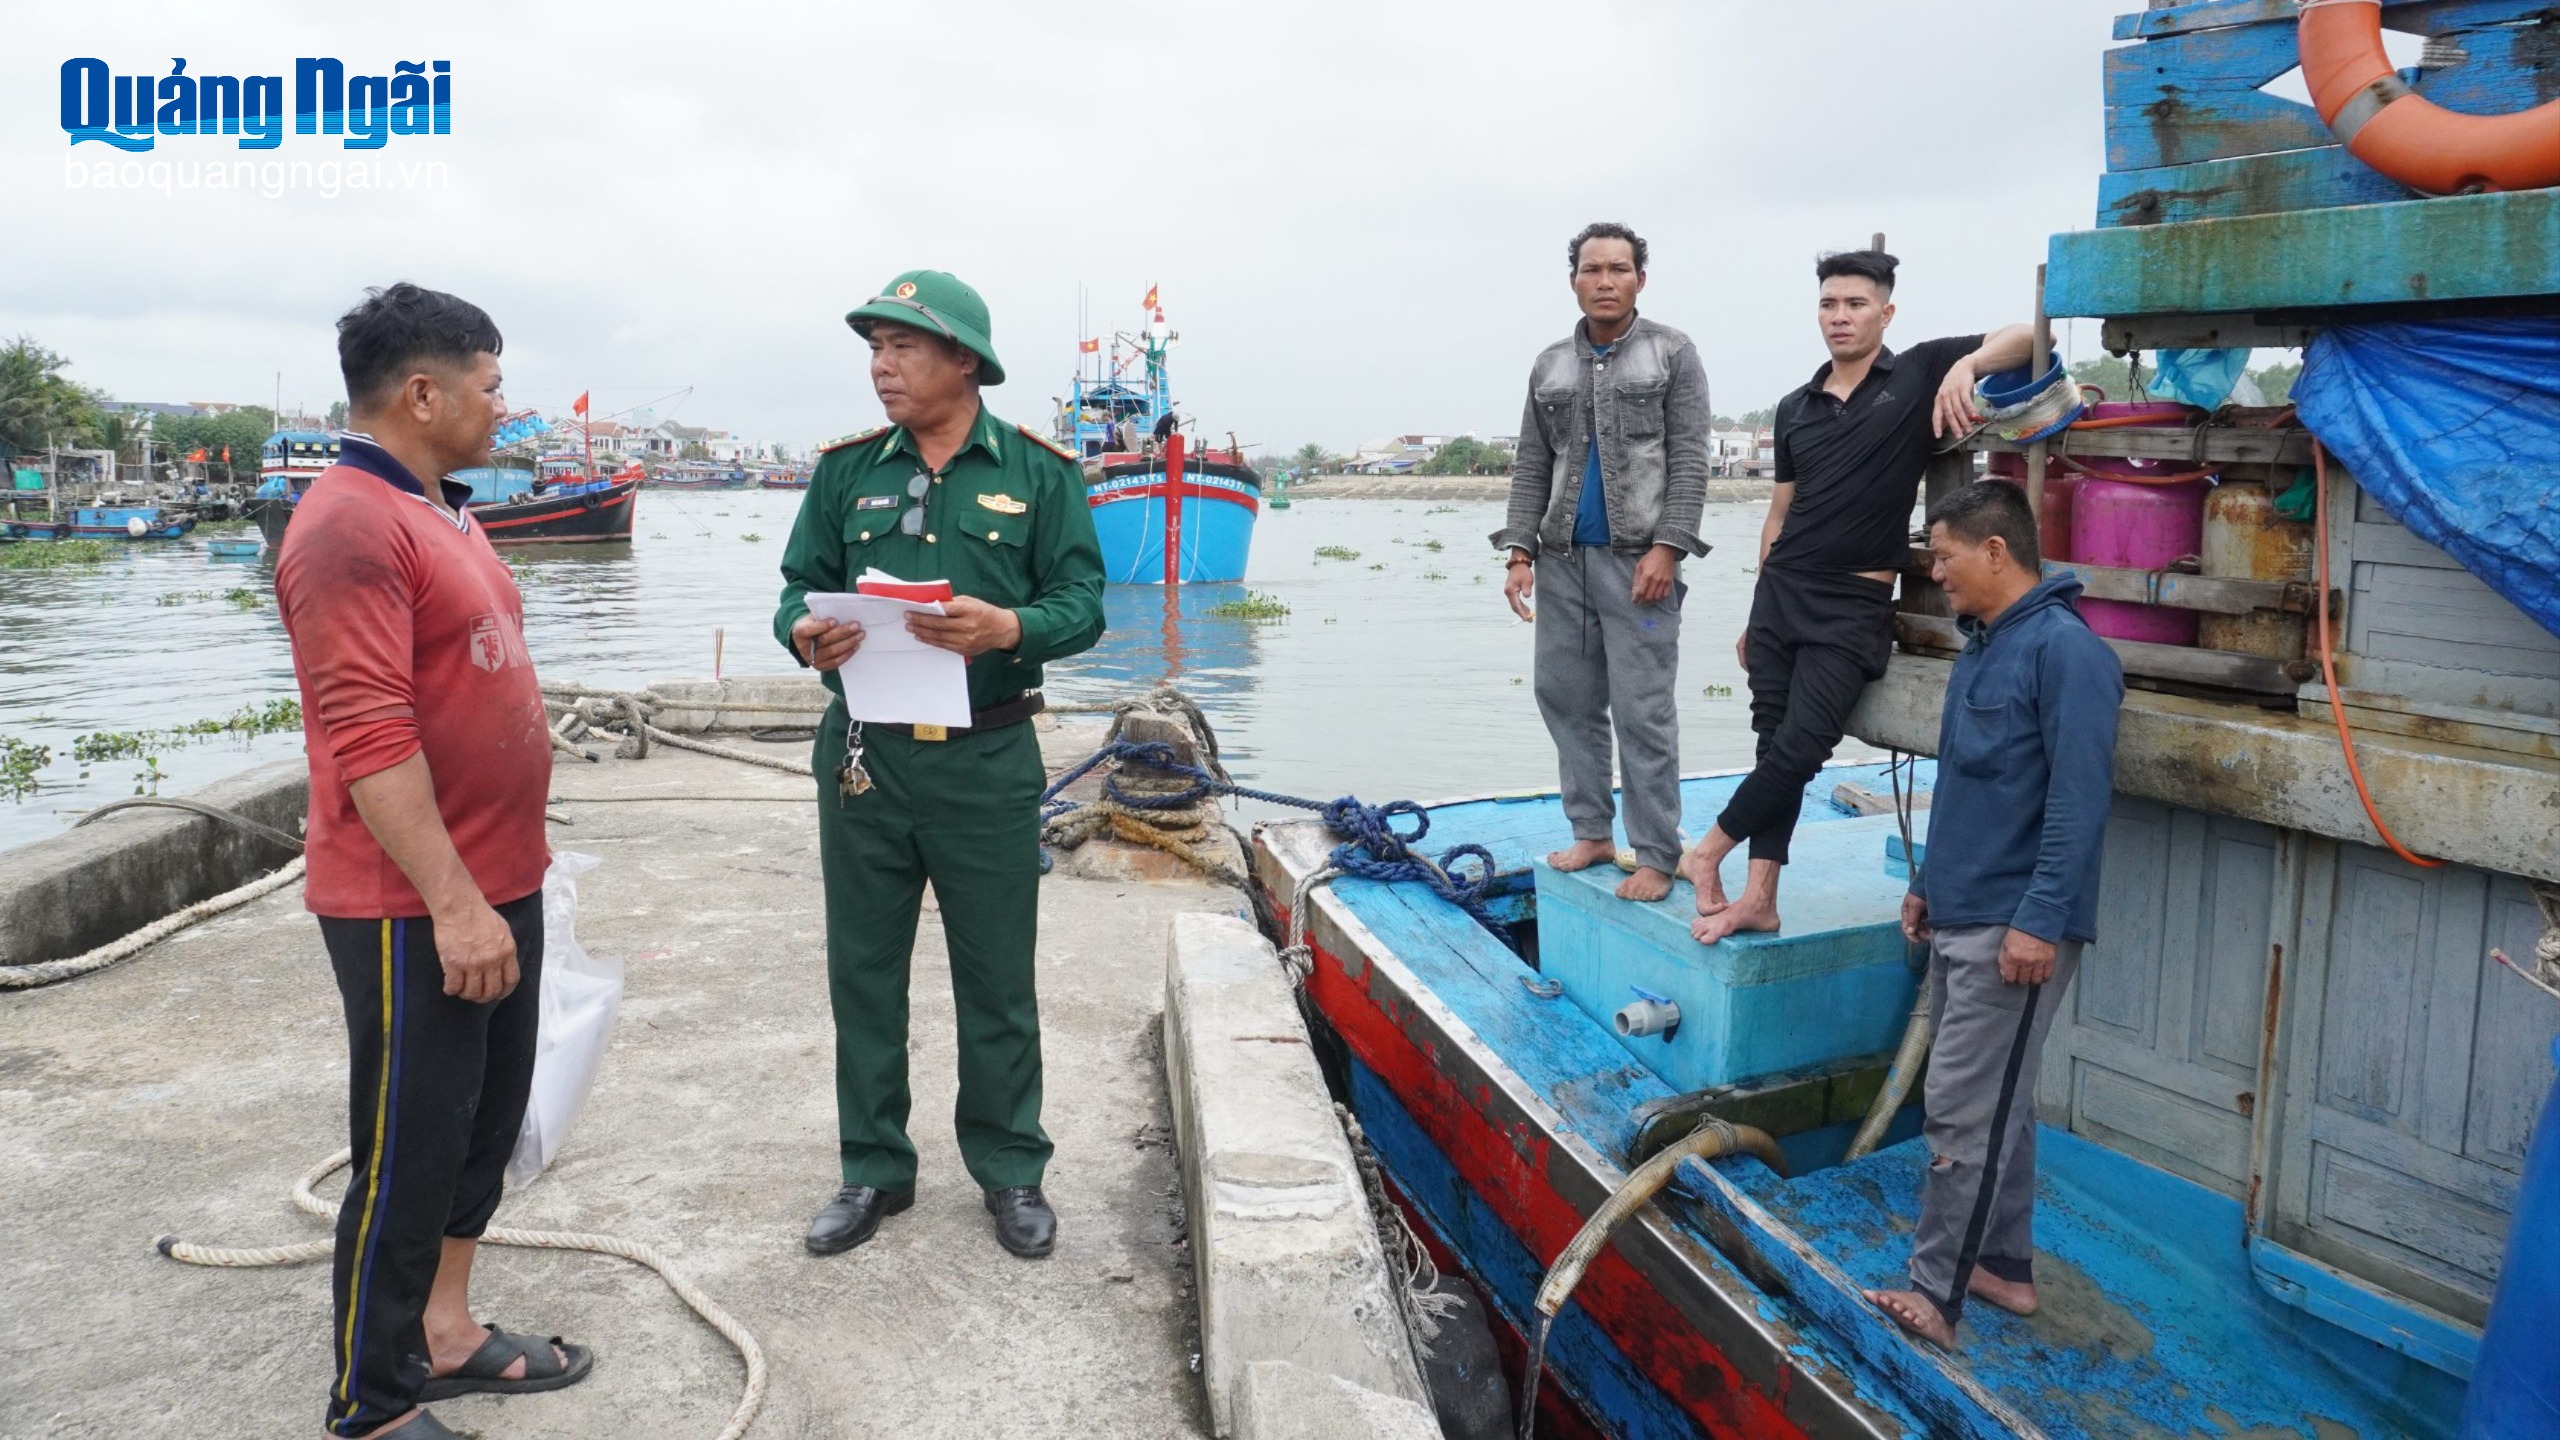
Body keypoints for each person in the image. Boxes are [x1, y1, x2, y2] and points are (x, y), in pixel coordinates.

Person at [275, 283, 592, 1440]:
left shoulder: (439, 510)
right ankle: (371, 1404)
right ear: (423, 392)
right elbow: (369, 732)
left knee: (480, 1126)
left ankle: (447, 1333)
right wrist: (454, 904)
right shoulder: (349, 523)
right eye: (491, 385)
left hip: (497, 878)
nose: (504, 407)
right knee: (405, 1151)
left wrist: (507, 882)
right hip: (415, 900)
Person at [775, 269, 1105, 1261]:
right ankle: (873, 1170)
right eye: (874, 348)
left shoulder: (1041, 474)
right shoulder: (845, 473)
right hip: (865, 761)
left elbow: (1083, 604)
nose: (882, 367)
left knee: (996, 978)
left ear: (964, 360)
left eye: (903, 348)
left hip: (987, 755)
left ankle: (1010, 1169)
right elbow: (795, 587)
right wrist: (805, 633)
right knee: (863, 976)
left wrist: (1010, 624)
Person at [1686, 250, 2035, 942]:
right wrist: (1758, 611)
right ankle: (1760, 897)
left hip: (1852, 604)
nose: (1840, 317)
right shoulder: (1795, 407)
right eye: (1828, 304)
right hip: (1783, 593)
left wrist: (1967, 367)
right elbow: (1779, 515)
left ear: (1885, 312)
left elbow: (2026, 335)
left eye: (1855, 304)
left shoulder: (1916, 372)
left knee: (1803, 747)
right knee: (1770, 746)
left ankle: (1707, 850)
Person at [1863, 479, 2123, 1348]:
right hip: (1964, 909)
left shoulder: (2069, 654)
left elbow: (2078, 806)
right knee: (1996, 1105)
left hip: (2014, 924)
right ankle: (2004, 1269)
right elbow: (1969, 784)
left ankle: (1936, 1295)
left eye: (1942, 557)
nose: (1936, 574)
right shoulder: (1983, 644)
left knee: (1962, 1112)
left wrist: (2039, 921)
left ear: (1995, 551)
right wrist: (1927, 882)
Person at [1495, 222, 1711, 902]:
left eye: (1620, 269)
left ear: (1640, 279)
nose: (1606, 280)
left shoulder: (1672, 354)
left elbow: (1691, 460)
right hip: (1562, 562)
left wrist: (1668, 547)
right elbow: (1534, 464)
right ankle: (1591, 831)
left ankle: (1655, 853)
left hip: (1639, 563)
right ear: (1574, 281)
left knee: (1643, 710)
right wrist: (1520, 550)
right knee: (1563, 695)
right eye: (1593, 269)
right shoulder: (1550, 364)